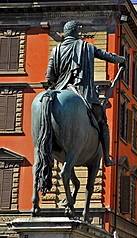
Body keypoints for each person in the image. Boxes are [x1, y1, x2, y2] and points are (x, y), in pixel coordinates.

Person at [46, 21, 125, 167]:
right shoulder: (86, 46)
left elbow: (49, 76)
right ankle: (106, 158)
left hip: (59, 90)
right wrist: (122, 60)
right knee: (102, 122)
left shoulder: (56, 50)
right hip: (82, 92)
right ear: (75, 32)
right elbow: (107, 56)